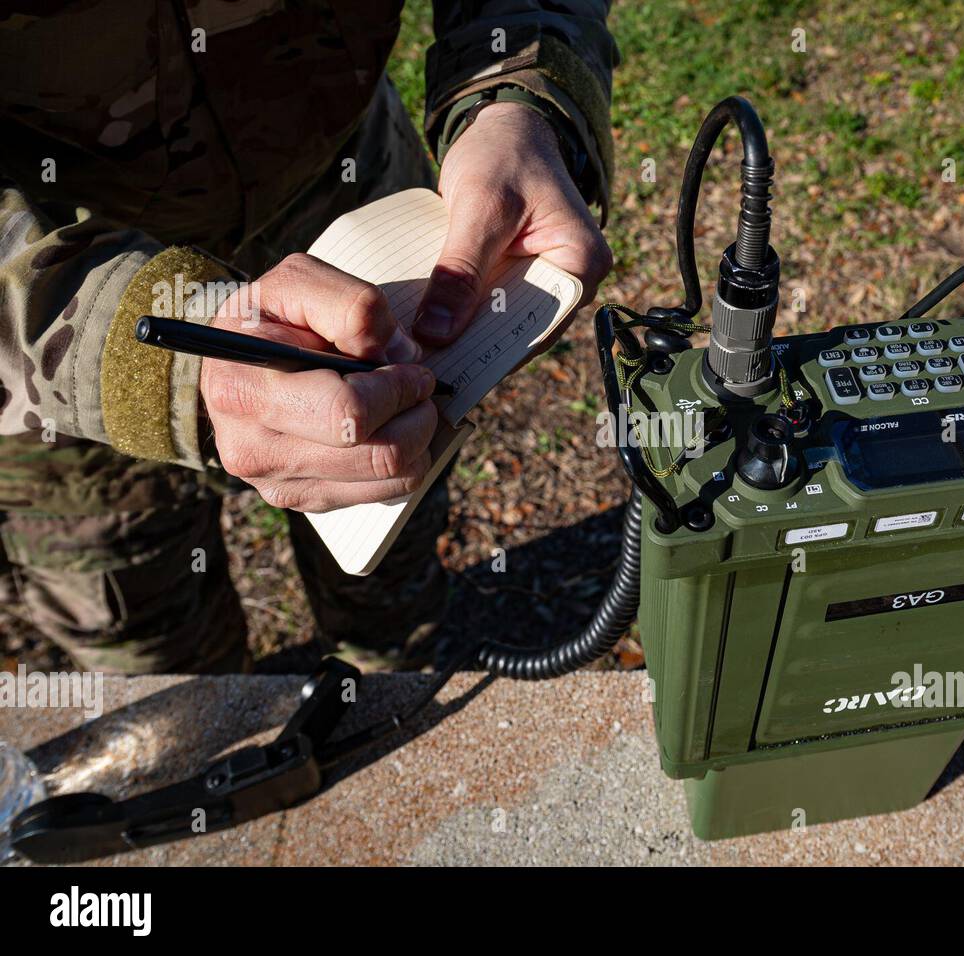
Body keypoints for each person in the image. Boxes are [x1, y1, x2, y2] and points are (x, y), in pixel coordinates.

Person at [0, 2, 617, 673]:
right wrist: (141, 361)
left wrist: (517, 100)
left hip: (370, 225)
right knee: (165, 689)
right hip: (61, 335)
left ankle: (389, 702)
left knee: (391, 593)